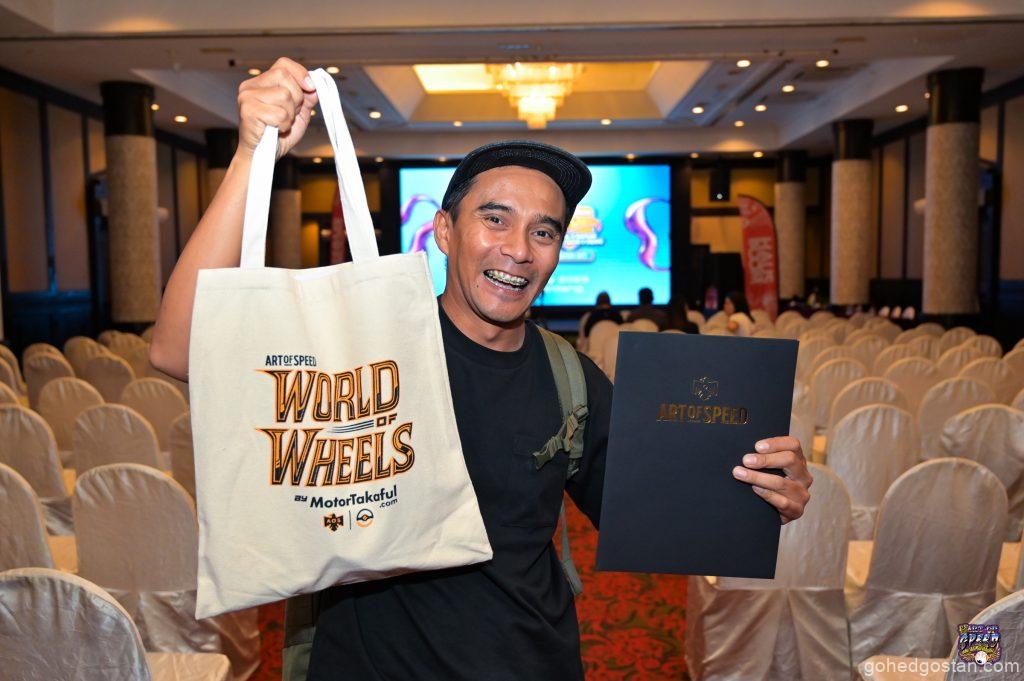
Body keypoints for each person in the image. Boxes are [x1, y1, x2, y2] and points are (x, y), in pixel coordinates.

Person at [149, 57, 812, 681]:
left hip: (527, 661)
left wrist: (758, 496)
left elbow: (655, 514)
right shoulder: (364, 347)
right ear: (443, 231)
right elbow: (176, 349)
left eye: (544, 231)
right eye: (495, 219)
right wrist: (250, 152)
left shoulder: (571, 379)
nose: (518, 250)